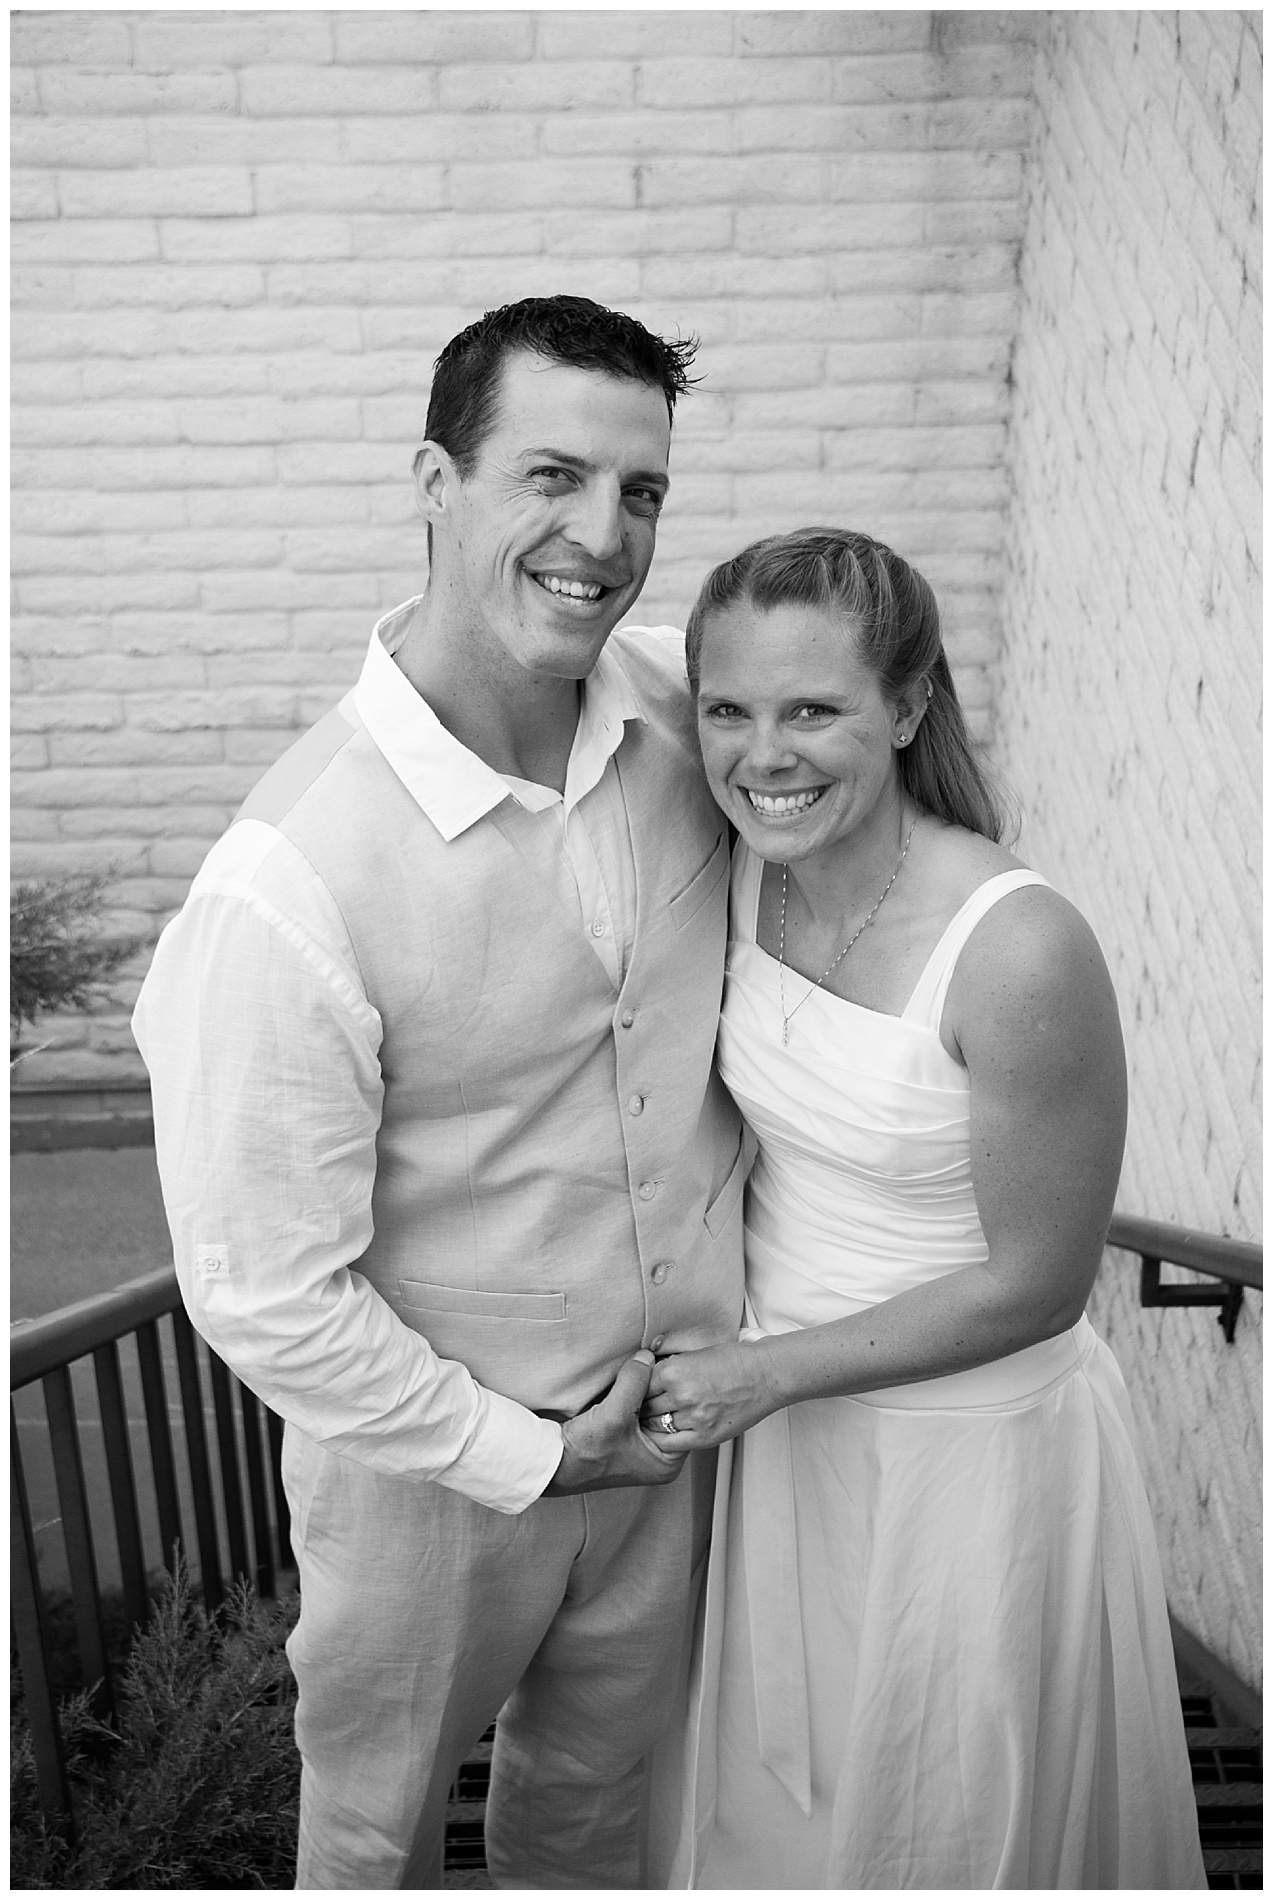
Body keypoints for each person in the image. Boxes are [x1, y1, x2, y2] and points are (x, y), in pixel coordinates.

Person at [131, 295, 748, 1891]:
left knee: (600, 1839)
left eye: (641, 492)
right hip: (426, 1488)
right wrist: (526, 1454)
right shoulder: (286, 883)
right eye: (549, 476)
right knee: (374, 1846)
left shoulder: (700, 717)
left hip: (673, 1447)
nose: (600, 537)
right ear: (434, 481)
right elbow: (261, 1290)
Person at [641, 528, 1207, 1890]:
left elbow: (1037, 1283)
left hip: (963, 1458)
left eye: (813, 710)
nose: (761, 755)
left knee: (946, 1823)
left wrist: (754, 1374)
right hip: (785, 1441)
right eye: (727, 710)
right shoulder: (733, 881)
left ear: (904, 707)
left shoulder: (1014, 946)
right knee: (782, 1821)